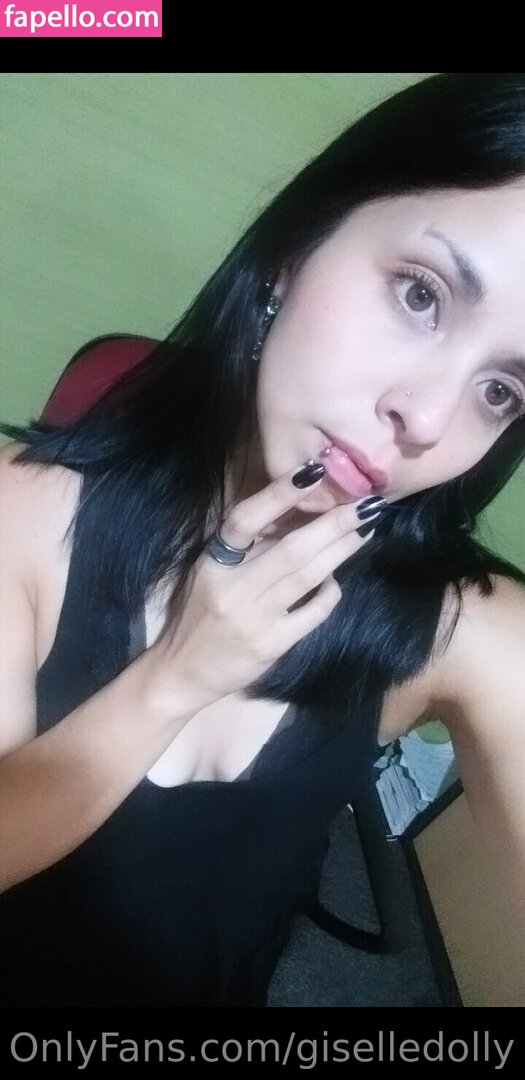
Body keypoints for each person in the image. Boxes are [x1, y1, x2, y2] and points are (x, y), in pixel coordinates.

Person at [0, 71, 525, 1007]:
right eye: (420, 294)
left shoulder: (454, 625)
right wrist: (175, 678)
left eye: (499, 390)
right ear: (291, 251)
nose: (425, 417)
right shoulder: (26, 512)